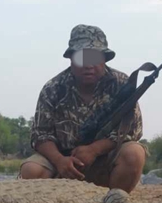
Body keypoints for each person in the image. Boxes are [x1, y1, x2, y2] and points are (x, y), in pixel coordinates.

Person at [19, 24, 148, 193]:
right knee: (31, 170)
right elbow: (40, 135)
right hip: (63, 162)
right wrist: (59, 160)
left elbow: (133, 130)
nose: (88, 65)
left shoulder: (122, 84)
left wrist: (94, 150)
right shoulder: (52, 88)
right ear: (71, 59)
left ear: (104, 59)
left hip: (106, 159)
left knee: (134, 154)